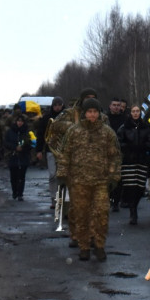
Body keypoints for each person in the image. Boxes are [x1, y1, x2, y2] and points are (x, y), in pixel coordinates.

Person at [57, 98, 121, 261]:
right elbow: (65, 154)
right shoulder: (74, 131)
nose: (92, 115)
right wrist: (62, 175)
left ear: (99, 114)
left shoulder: (107, 132)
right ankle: (84, 246)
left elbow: (115, 156)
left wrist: (113, 176)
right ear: (84, 113)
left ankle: (99, 245)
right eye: (89, 112)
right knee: (81, 214)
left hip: (100, 181)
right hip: (78, 181)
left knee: (101, 214)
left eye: (95, 112)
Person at [116, 105, 150, 224]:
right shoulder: (124, 128)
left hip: (141, 160)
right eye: (133, 111)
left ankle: (135, 206)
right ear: (130, 113)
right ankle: (133, 211)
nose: (136, 113)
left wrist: (144, 147)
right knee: (130, 186)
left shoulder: (145, 127)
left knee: (140, 187)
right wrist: (128, 148)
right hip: (128, 160)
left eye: (137, 111)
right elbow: (119, 142)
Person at [3, 113, 33, 200]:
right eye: (18, 121)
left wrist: (23, 148)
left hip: (24, 156)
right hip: (12, 156)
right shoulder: (10, 131)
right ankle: (14, 191)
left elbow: (32, 143)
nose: (20, 123)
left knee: (21, 176)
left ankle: (20, 194)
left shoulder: (28, 132)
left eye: (21, 121)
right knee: (13, 176)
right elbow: (6, 143)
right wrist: (14, 147)